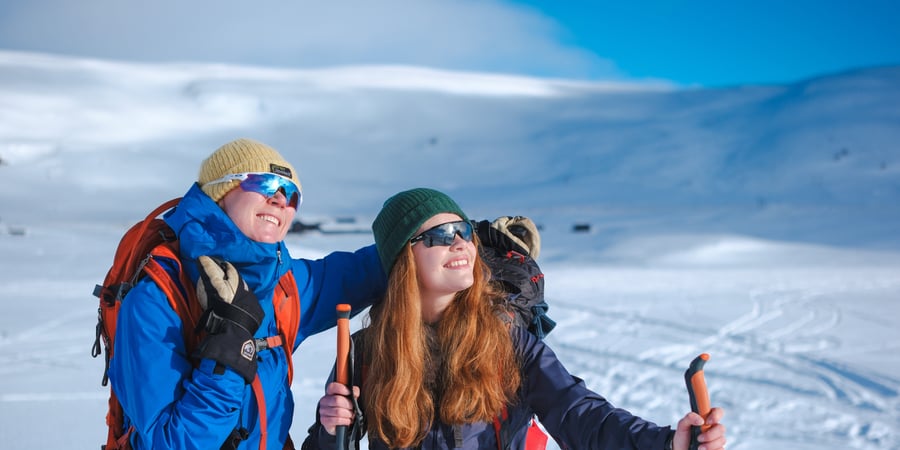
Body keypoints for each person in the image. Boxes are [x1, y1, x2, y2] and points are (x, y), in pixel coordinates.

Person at [303, 188, 727, 450]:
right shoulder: (364, 353)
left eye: (464, 231)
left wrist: (667, 442)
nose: (460, 244)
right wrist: (328, 430)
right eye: (438, 236)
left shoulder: (505, 341)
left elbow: (581, 416)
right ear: (402, 261)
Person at [108, 138, 387, 449]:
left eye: (292, 194)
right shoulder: (157, 300)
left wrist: (432, 234)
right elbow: (169, 443)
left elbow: (371, 268)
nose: (281, 199)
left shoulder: (285, 286)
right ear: (219, 192)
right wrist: (227, 355)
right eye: (266, 184)